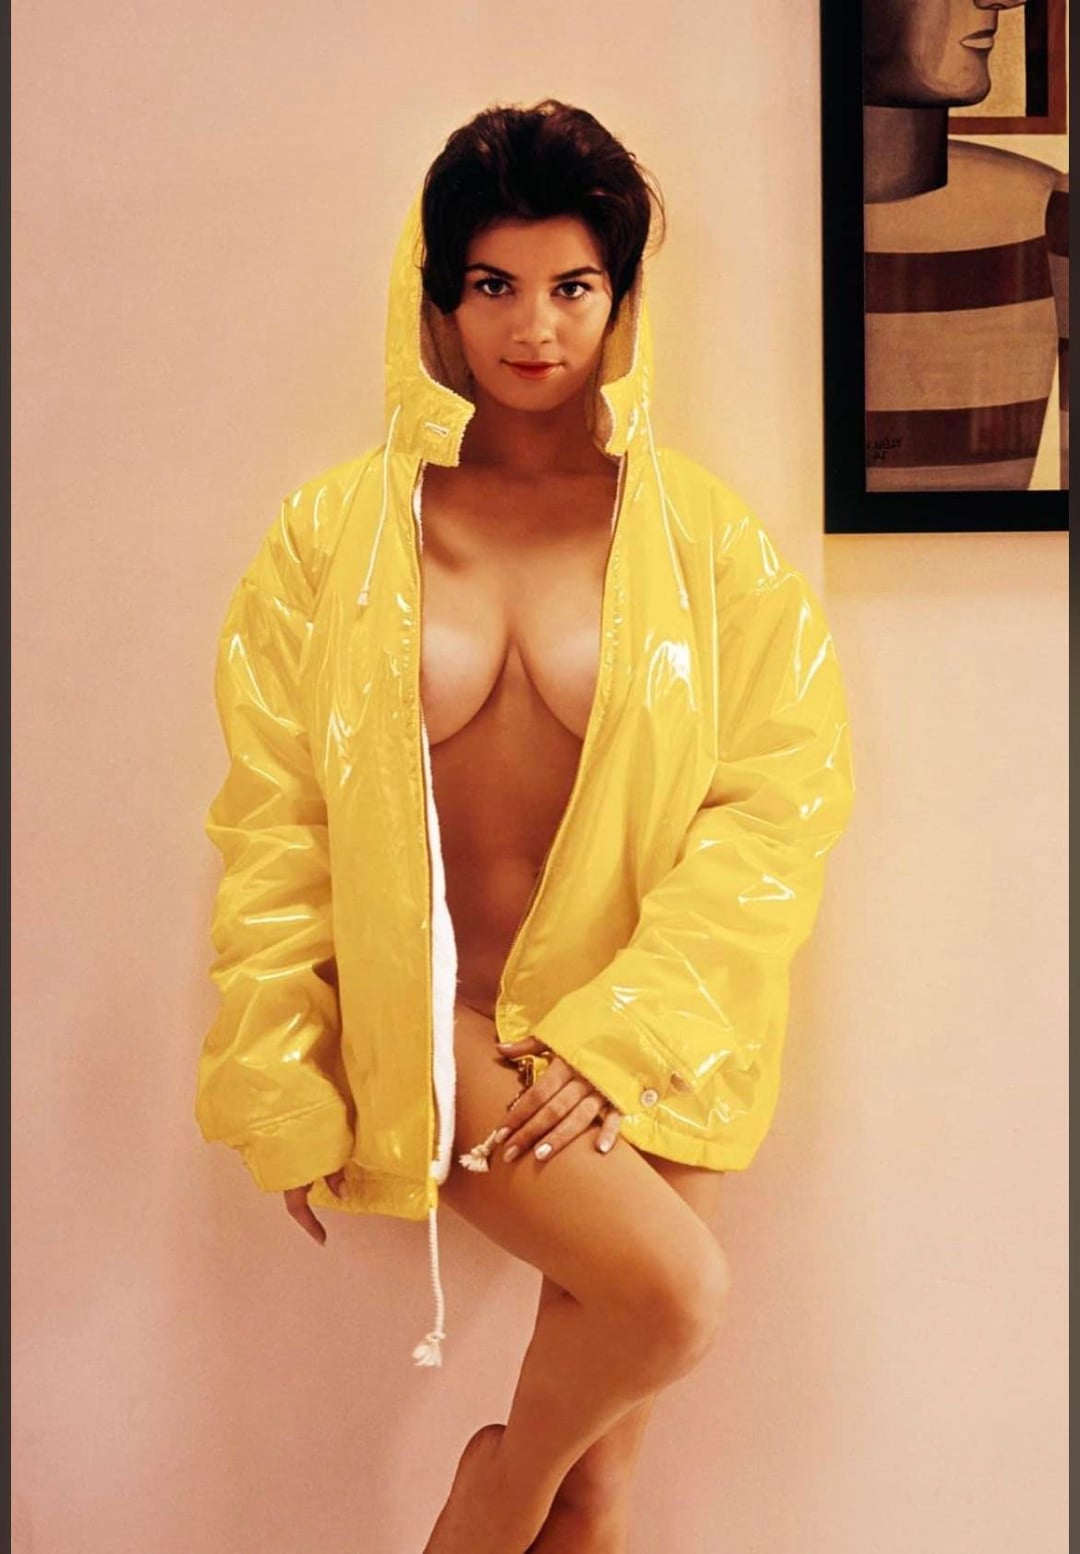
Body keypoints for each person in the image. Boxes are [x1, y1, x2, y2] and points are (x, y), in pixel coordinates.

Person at [195, 98, 856, 1554]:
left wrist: (634, 1028)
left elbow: (778, 802)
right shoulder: (330, 538)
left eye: (573, 285)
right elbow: (276, 817)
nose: (534, 327)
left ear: (622, 302)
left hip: (639, 1043)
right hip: (437, 1025)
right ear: (437, 299)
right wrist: (277, 1063)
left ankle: (513, 1493)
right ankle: (488, 1489)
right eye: (494, 284)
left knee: (599, 1499)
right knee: (674, 1300)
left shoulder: (705, 543)